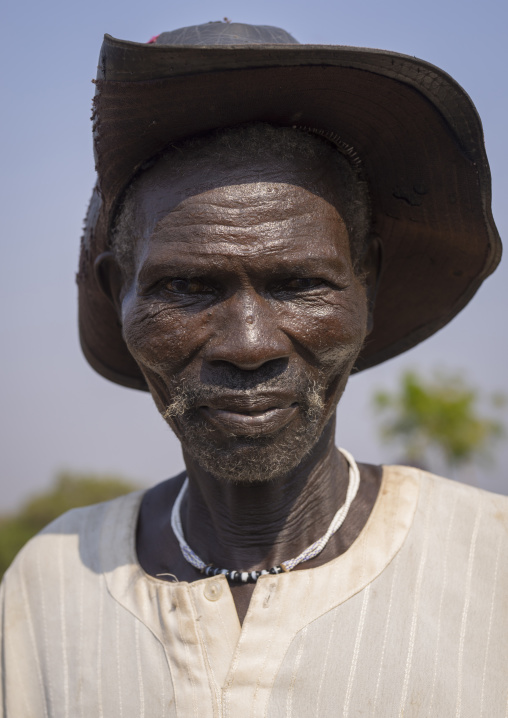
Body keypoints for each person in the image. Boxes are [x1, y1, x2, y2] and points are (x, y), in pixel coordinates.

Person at [0, 22, 506, 717]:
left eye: (299, 283)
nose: (247, 344)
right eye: (188, 288)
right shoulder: (50, 582)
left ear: (368, 283)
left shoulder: (493, 565)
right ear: (120, 292)